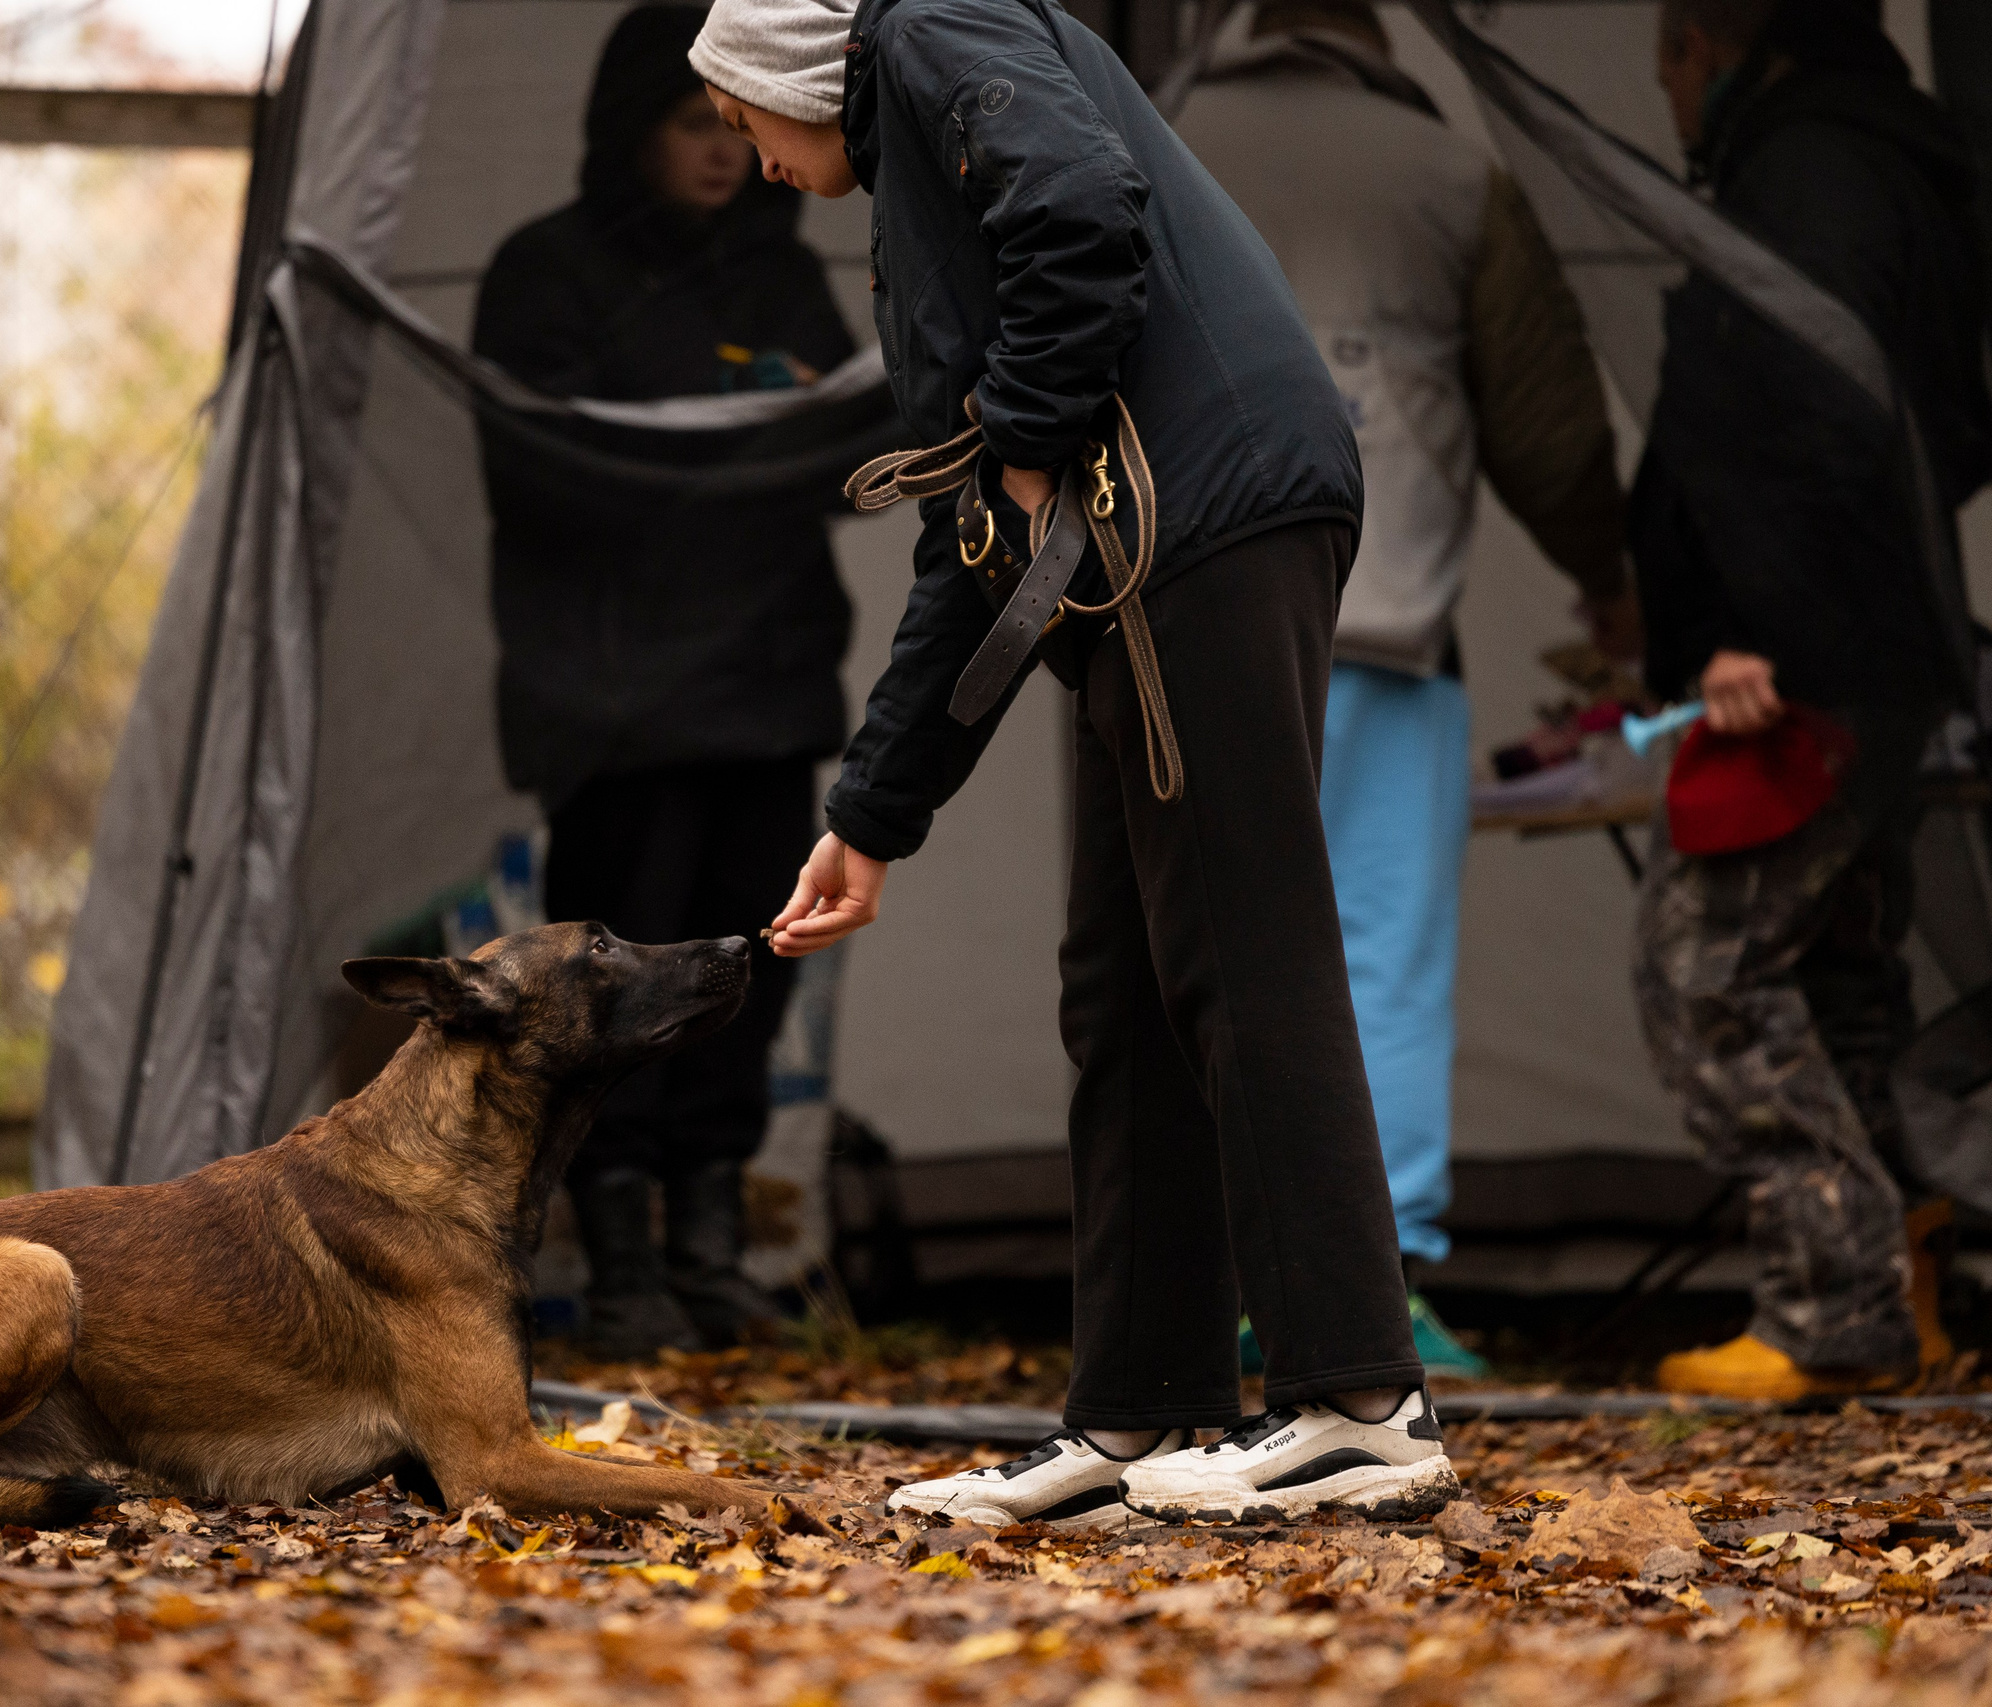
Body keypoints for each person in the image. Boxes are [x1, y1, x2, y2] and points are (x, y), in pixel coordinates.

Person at [695, 0, 1459, 1528]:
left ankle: (1361, 1403)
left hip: (1209, 514)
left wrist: (1032, 427)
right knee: (1126, 989)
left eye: (743, 121)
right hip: (1159, 539)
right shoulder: (916, 166)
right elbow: (972, 538)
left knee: (1243, 953)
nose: (755, 162)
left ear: (791, 69)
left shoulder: (922, 26)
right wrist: (873, 815)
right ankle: (1141, 1417)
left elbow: (1083, 204)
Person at [1178, 0, 1637, 1380]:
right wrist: (1613, 580)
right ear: (1378, 27)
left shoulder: (1165, 135)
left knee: (1197, 951)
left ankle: (1211, 1279)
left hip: (1180, 627)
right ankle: (1388, 1289)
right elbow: (1551, 430)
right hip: (1383, 621)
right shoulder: (1447, 172)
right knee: (1380, 955)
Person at [472, 4, 859, 1359]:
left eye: (730, 124)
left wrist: (723, 458)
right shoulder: (546, 275)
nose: (717, 152)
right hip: (614, 712)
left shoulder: (786, 275)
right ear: (632, 126)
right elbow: (543, 475)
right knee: (610, 990)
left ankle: (712, 1256)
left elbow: (851, 455)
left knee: (747, 971)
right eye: (691, 123)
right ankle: (621, 1257)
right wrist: (729, 456)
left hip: (765, 693)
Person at [1633, 0, 1992, 1399]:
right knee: (1838, 966)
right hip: (1880, 643)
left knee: (1704, 970)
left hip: (1802, 660)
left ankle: (1829, 1304)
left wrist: (1742, 624)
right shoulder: (1896, 159)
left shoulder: (1808, 174)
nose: (1663, 91)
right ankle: (1904, 1289)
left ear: (1710, 41)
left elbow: (1799, 405)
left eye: (1665, 55)